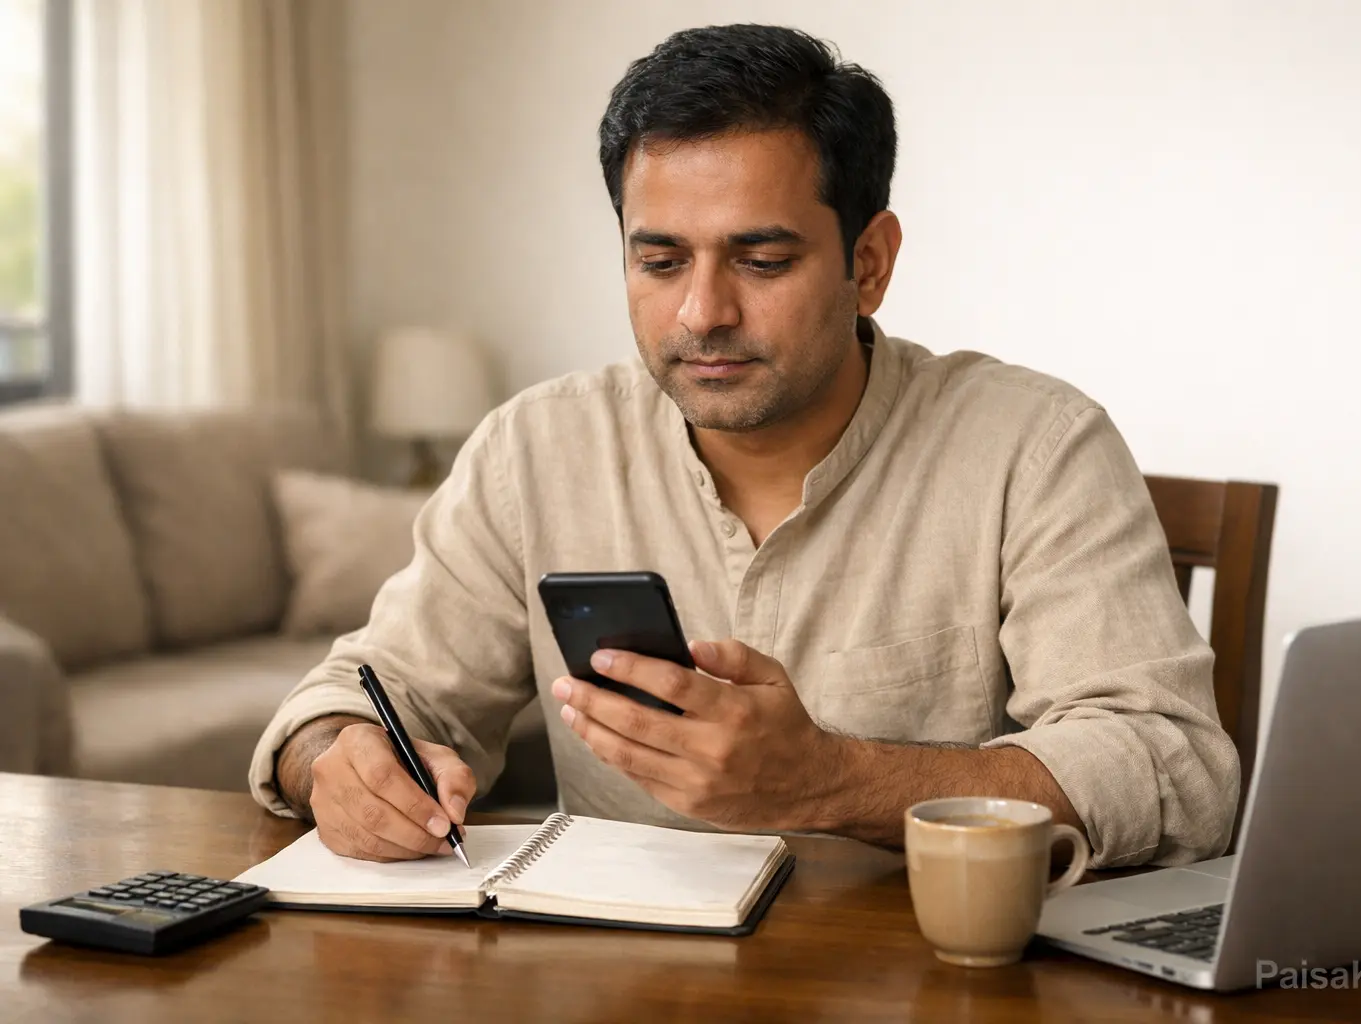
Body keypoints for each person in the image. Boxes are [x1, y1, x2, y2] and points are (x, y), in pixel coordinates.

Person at [250, 24, 1238, 869]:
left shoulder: (1035, 446)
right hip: (618, 988)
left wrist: (832, 779)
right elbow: (359, 695)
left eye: (761, 259)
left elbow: (1172, 767)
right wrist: (339, 760)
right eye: (660, 259)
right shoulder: (535, 450)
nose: (702, 312)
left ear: (870, 263)